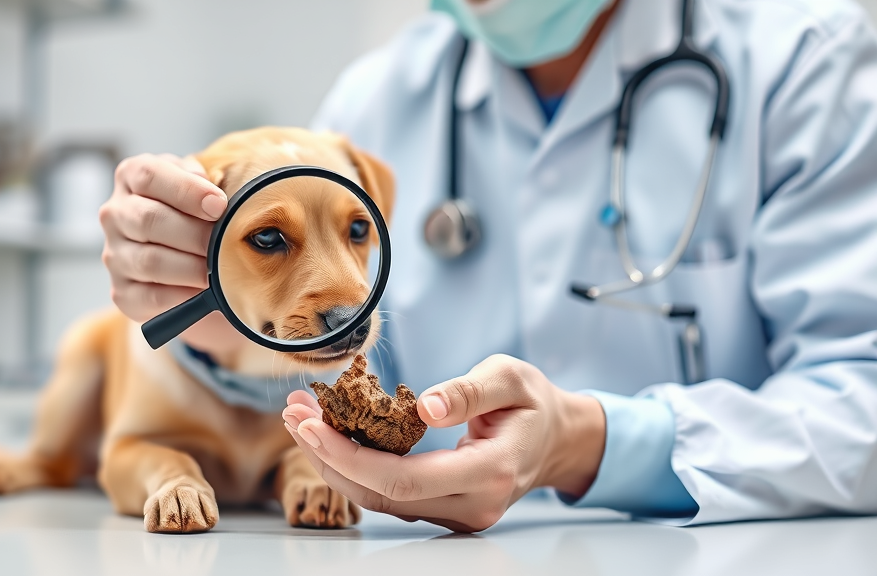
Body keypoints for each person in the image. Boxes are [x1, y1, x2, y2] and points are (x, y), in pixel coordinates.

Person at [99, 0, 877, 531]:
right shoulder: (376, 98)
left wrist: (591, 443)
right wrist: (217, 327)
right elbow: (339, 366)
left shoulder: (806, 59)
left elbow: (862, 405)